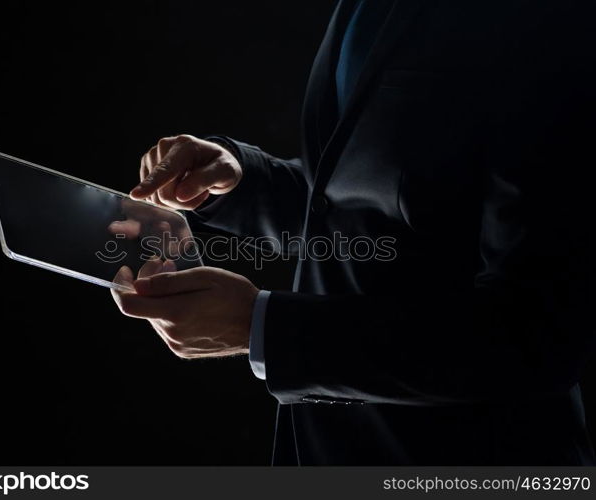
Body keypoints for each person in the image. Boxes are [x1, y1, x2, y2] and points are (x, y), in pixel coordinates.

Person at [111, 0, 596, 464]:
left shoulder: (548, 18)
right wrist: (239, 181)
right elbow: (364, 204)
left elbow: (537, 336)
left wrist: (264, 329)